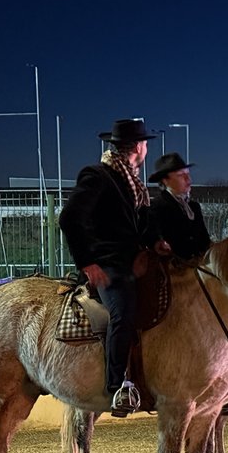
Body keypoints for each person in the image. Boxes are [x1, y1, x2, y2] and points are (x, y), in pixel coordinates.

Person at [58, 118, 160, 416]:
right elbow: (69, 218)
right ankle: (118, 386)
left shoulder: (133, 182)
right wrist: (87, 263)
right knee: (123, 311)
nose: (145, 149)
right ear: (138, 148)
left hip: (134, 261)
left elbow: (139, 225)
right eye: (145, 144)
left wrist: (157, 244)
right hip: (108, 265)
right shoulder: (98, 175)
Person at [147, 152, 211, 261]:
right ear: (165, 180)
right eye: (181, 175)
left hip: (198, 270)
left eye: (188, 173)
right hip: (174, 272)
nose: (188, 179)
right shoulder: (157, 208)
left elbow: (204, 242)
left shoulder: (193, 207)